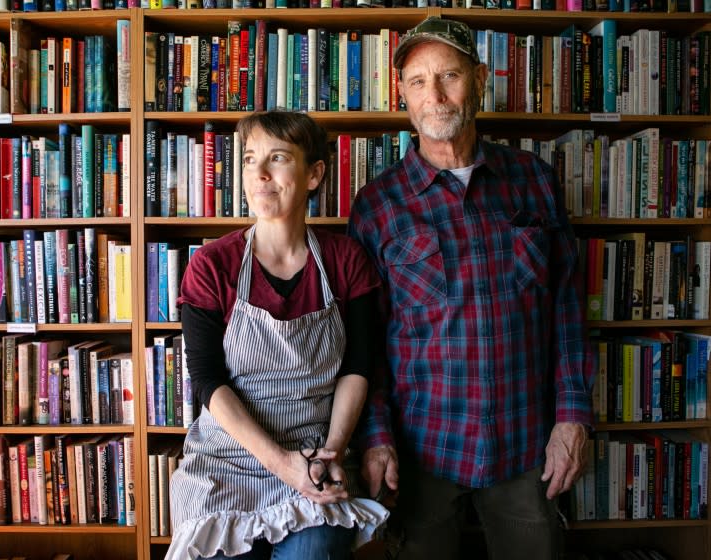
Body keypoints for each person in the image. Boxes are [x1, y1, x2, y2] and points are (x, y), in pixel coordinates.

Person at [347, 17, 595, 560]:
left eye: (449, 75)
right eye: (417, 81)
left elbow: (568, 310)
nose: (434, 95)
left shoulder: (534, 180)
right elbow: (363, 341)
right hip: (421, 451)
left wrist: (573, 416)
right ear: (403, 95)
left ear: (479, 78)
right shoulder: (377, 204)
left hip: (528, 446)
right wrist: (375, 436)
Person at [167, 110, 389, 560]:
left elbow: (358, 366)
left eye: (278, 158)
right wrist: (281, 464)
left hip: (316, 458)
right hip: (225, 464)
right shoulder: (212, 265)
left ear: (314, 174)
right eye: (250, 160)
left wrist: (328, 455)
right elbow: (209, 381)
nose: (260, 174)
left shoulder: (347, 261)